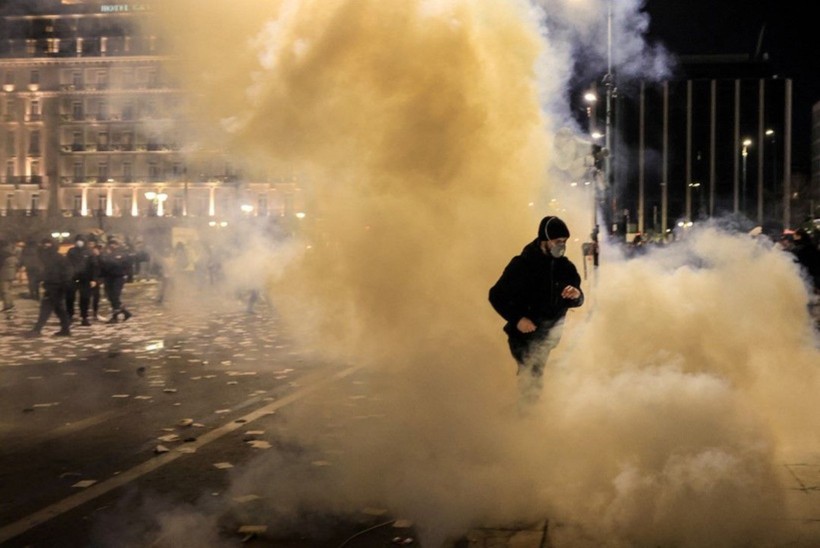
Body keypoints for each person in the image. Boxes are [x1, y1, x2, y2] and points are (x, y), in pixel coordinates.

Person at [489, 216, 584, 406]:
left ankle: (521, 415)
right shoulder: (522, 265)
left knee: (534, 377)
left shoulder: (566, 268)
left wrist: (576, 295)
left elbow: (578, 300)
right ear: (545, 239)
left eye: (564, 242)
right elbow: (496, 295)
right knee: (531, 378)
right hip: (522, 337)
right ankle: (524, 422)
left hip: (547, 337)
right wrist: (518, 319)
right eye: (558, 242)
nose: (562, 246)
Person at [29, 237, 73, 336]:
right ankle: (65, 329)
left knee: (46, 308)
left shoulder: (57, 258)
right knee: (58, 308)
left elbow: (66, 271)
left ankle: (37, 329)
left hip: (56, 286)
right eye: (44, 244)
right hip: (52, 285)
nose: (46, 246)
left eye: (48, 243)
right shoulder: (45, 257)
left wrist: (64, 283)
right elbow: (44, 271)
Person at [65, 234, 98, 326]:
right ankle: (69, 315)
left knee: (85, 298)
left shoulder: (89, 252)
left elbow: (94, 266)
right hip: (72, 278)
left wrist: (93, 279)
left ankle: (84, 317)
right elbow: (67, 264)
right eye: (78, 240)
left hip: (85, 279)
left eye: (81, 240)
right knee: (70, 298)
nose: (79, 242)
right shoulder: (71, 251)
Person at [99, 236, 134, 323]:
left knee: (115, 296)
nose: (113, 246)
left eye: (114, 244)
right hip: (108, 277)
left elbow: (127, 265)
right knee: (111, 297)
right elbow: (103, 265)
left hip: (118, 277)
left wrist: (129, 276)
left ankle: (115, 317)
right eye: (111, 244)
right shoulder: (106, 254)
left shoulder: (122, 254)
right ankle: (125, 312)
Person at [0, 240, 20, 312]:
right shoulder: (11, 253)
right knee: (9, 290)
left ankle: (8, 306)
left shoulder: (2, 254)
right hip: (11, 273)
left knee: (4, 290)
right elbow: (17, 263)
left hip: (4, 274)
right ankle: (10, 304)